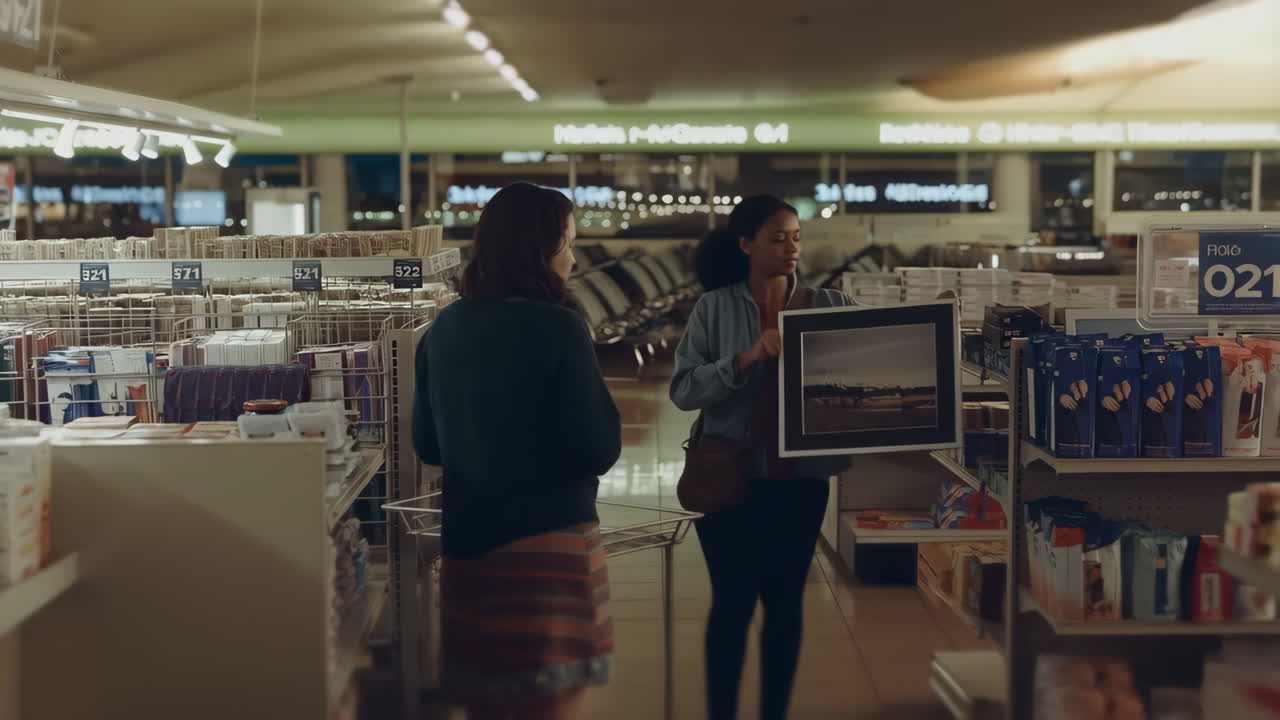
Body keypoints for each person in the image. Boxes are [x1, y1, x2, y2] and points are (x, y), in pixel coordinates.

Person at [413, 182, 622, 720]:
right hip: (546, 547)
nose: (573, 259)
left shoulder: (445, 327)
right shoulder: (560, 328)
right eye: (567, 244)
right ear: (539, 251)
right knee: (545, 704)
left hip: (468, 548)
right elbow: (595, 447)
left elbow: (428, 443)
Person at [670, 195, 855, 720]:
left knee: (784, 605)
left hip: (799, 481)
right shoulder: (716, 307)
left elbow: (886, 352)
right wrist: (745, 358)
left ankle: (774, 711)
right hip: (729, 474)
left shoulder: (829, 306)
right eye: (777, 237)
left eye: (796, 236)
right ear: (746, 244)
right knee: (731, 604)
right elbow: (684, 389)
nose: (791, 246)